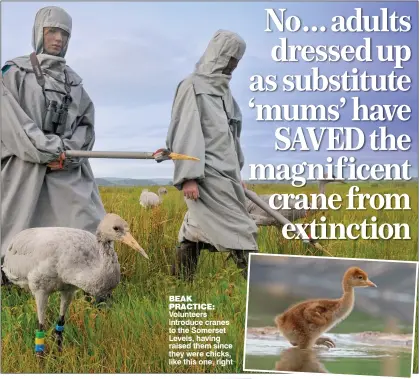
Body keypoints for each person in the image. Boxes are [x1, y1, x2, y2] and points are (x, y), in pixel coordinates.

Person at [1, 7, 106, 268]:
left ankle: (93, 279)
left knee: (87, 220)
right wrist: (48, 150)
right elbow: (12, 123)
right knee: (16, 223)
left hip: (66, 165)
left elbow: (86, 125)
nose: (59, 39)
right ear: (39, 32)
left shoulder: (74, 82)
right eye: (53, 31)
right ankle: (8, 272)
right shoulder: (13, 73)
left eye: (65, 34)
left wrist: (67, 154)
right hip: (24, 162)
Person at [166, 29, 259, 281]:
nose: (233, 64)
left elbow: (231, 137)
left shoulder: (224, 91)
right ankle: (257, 289)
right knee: (242, 230)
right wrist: (189, 177)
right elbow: (185, 130)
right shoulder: (192, 86)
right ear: (216, 54)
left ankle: (180, 283)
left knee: (194, 229)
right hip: (205, 174)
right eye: (229, 57)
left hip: (225, 174)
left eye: (237, 60)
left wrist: (236, 173)